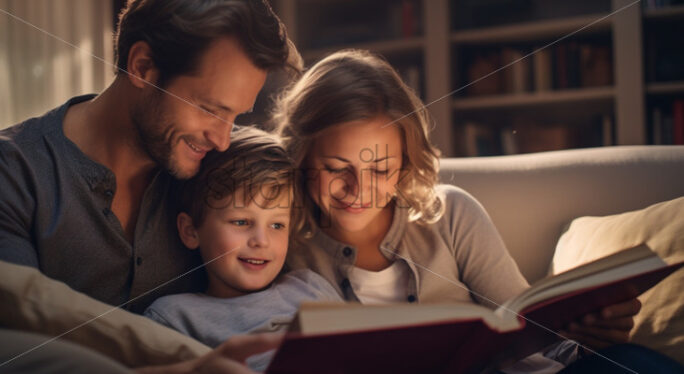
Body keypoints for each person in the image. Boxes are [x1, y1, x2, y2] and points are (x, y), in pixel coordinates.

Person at [0, 0, 301, 372]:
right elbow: (8, 357)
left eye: (235, 115)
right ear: (142, 66)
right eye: (210, 108)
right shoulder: (3, 172)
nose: (223, 138)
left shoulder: (220, 169)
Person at [272, 49, 679, 373]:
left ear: (406, 162)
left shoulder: (450, 213)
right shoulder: (282, 245)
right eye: (336, 169)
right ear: (301, 158)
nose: (360, 190)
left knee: (631, 363)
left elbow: (532, 330)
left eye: (380, 169)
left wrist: (589, 337)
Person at [142, 126, 342, 372]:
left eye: (277, 225)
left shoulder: (311, 288)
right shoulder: (174, 317)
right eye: (241, 222)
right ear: (190, 230)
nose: (261, 241)